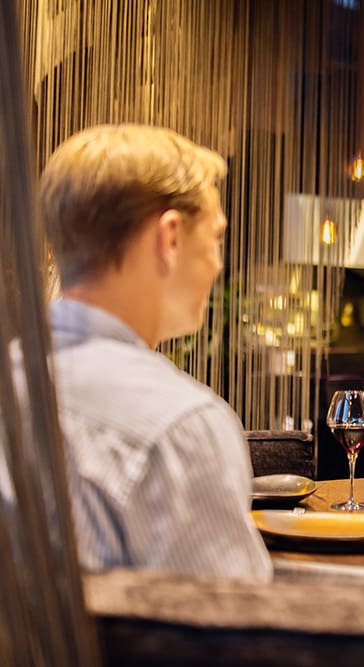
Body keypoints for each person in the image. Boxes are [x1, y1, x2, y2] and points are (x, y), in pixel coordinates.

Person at [34, 124, 272, 582]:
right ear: (171, 238)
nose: (218, 264)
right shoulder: (178, 426)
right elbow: (225, 638)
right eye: (216, 237)